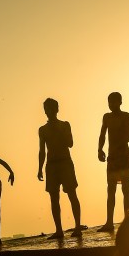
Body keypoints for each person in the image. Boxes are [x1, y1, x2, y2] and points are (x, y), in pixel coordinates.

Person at [37, 98, 83, 238]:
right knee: (54, 198)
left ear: (57, 109)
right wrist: (39, 168)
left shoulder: (64, 125)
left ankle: (77, 227)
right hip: (51, 165)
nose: (49, 112)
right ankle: (59, 230)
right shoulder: (42, 130)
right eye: (46, 109)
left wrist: (60, 131)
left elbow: (70, 143)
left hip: (65, 163)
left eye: (51, 109)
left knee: (72, 195)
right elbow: (42, 150)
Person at [98, 92, 129, 232]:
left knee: (125, 188)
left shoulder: (126, 116)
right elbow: (102, 134)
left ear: (120, 102)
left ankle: (127, 219)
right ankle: (109, 222)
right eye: (110, 102)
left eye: (114, 102)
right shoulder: (106, 117)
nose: (112, 105)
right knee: (111, 189)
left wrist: (118, 148)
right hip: (112, 158)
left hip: (124, 156)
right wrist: (99, 149)